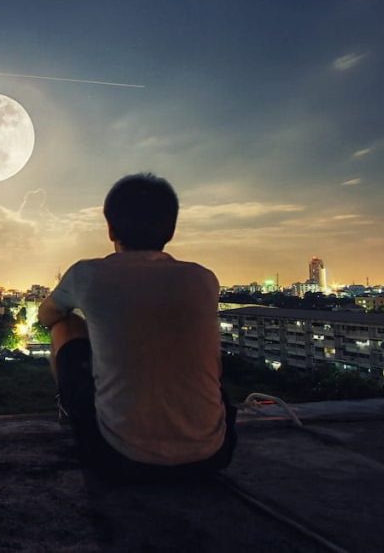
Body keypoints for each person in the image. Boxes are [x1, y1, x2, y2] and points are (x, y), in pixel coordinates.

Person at [38, 173, 236, 482]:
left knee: (66, 323)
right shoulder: (203, 279)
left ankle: (69, 414)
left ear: (111, 229)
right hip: (214, 453)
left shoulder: (88, 275)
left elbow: (47, 316)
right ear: (170, 230)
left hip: (120, 458)